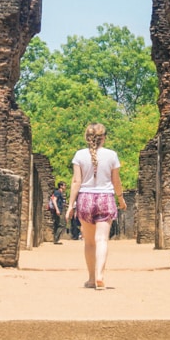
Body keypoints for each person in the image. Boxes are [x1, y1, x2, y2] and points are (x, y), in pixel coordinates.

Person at [65, 122, 126, 290]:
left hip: (85, 199)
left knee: (89, 242)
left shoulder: (79, 155)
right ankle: (100, 275)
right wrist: (120, 198)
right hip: (105, 198)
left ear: (87, 138)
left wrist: (70, 205)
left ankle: (91, 279)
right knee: (102, 240)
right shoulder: (112, 155)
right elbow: (116, 181)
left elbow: (76, 181)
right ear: (103, 138)